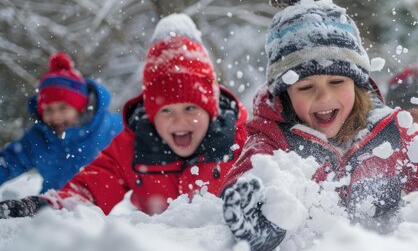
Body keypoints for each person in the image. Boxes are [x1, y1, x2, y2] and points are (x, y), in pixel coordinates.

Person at [221, 0, 418, 251]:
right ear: (285, 95)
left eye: (337, 82)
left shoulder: (388, 136)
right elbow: (247, 182)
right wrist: (259, 224)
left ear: (358, 83)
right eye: (306, 87)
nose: (324, 96)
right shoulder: (273, 142)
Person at [0, 13, 248, 218]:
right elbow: (87, 190)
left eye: (191, 108)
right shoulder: (133, 145)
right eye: (166, 110)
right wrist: (46, 207)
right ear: (151, 113)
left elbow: (278, 188)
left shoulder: (242, 141)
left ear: (211, 109)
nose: (179, 120)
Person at [0, 52, 122, 194]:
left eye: (63, 108)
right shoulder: (39, 138)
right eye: (48, 110)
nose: (56, 116)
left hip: (103, 212)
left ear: (80, 107)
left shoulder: (109, 128)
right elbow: (8, 162)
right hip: (53, 207)